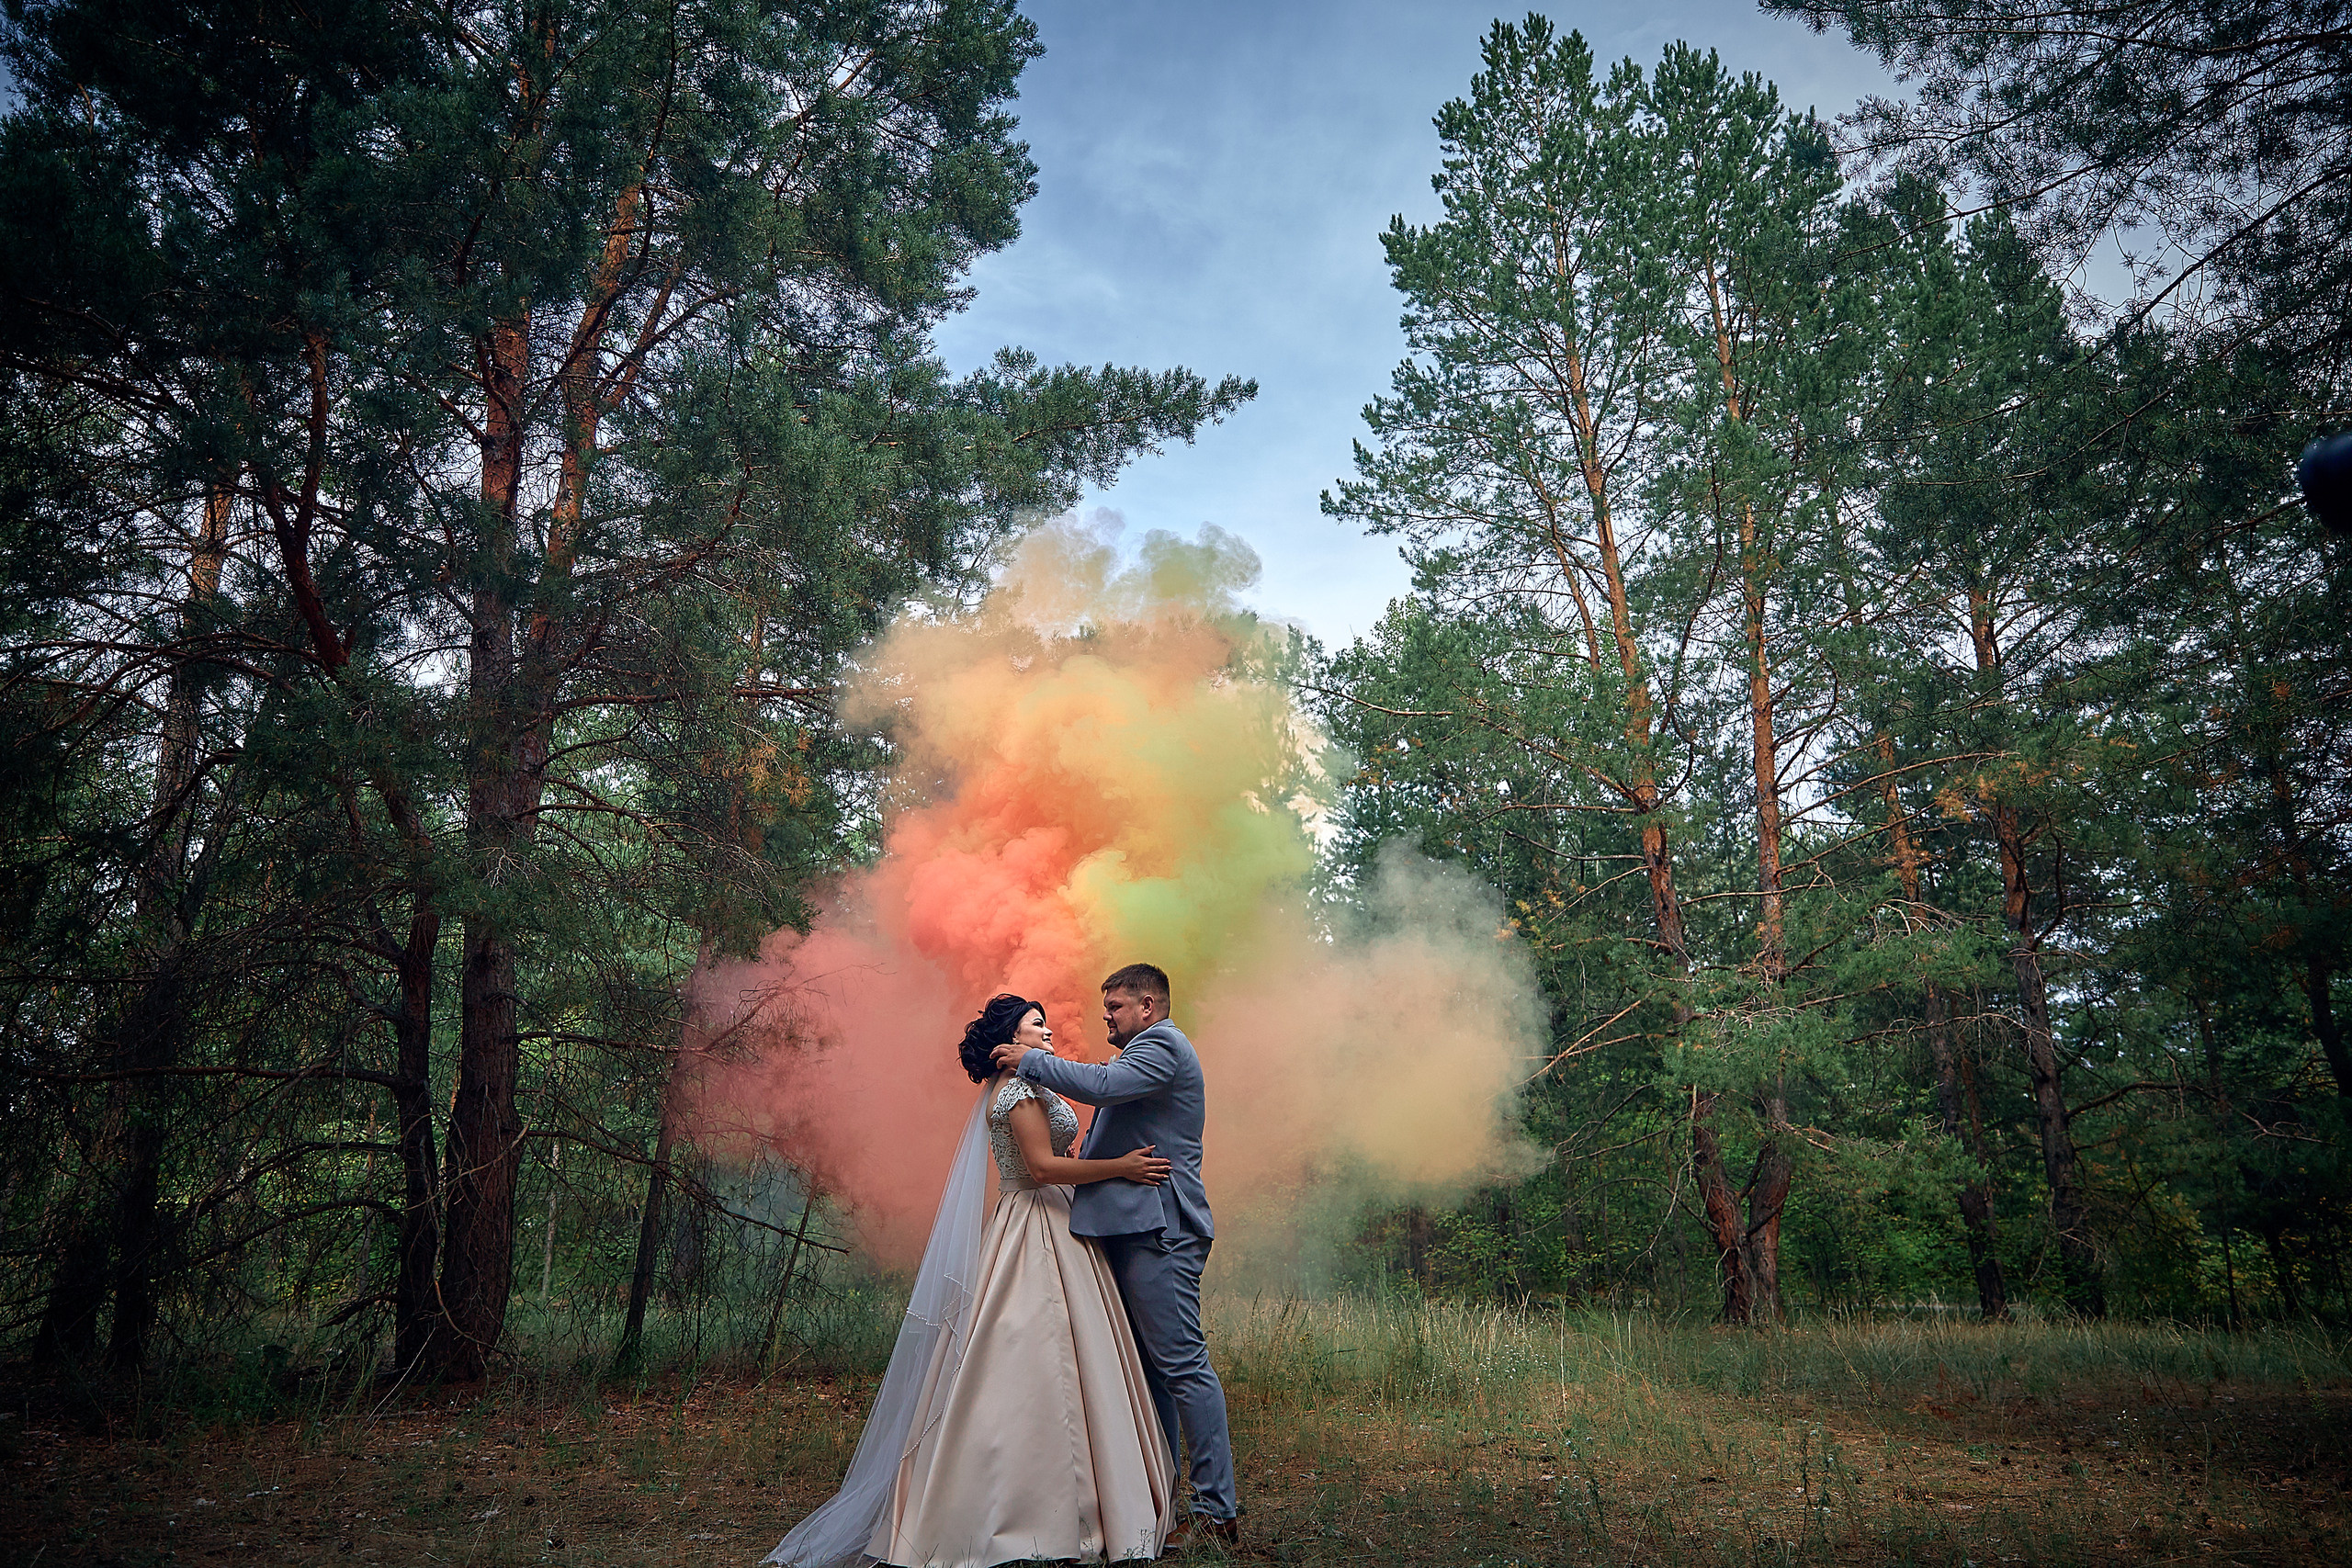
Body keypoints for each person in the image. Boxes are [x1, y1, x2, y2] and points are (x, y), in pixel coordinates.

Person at [765, 996, 1177, 1568]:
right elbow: (1039, 1169)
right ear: (1010, 1039)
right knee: (1031, 1355)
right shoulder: (1015, 1091)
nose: (1049, 1028)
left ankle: (1081, 1498)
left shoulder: (1032, 1086)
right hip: (1035, 1221)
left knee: (1067, 1356)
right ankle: (1029, 1511)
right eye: (1037, 1024)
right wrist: (1122, 1167)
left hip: (1056, 1220)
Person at [991, 964, 1240, 1549]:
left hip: (1162, 1230)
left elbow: (1099, 1090)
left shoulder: (1161, 1047)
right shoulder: (1137, 1054)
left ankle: (1215, 1513)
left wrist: (1027, 1061)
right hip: (1132, 1231)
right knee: (1151, 1373)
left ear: (1147, 1006)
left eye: (1116, 1007)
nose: (1106, 1016)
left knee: (1179, 1365)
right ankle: (1161, 1501)